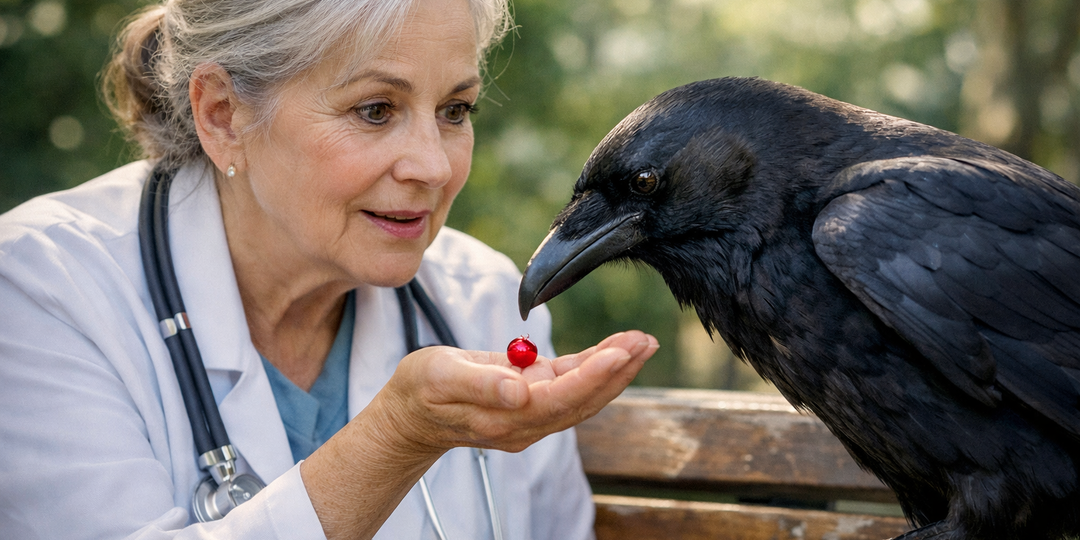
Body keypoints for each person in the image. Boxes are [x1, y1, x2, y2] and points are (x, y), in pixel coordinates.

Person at [0, 0, 659, 538]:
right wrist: (398, 436)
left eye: (455, 111)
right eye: (375, 110)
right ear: (222, 115)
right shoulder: (41, 286)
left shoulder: (481, 299)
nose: (433, 166)